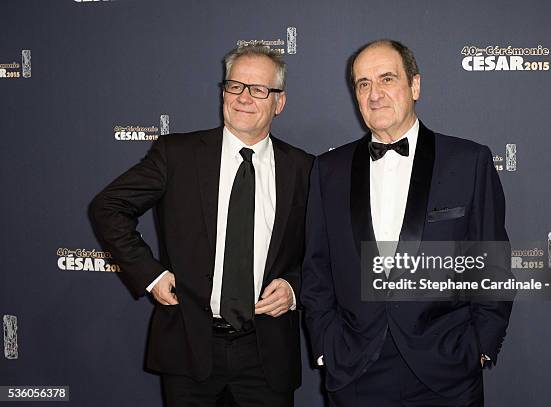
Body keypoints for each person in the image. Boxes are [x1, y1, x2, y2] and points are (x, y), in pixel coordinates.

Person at [91, 45, 313, 407]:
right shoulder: (176, 154)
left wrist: (294, 287)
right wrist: (151, 274)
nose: (244, 98)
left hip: (267, 353)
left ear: (279, 102)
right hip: (188, 348)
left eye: (258, 89)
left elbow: (325, 250)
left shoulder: (304, 169)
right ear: (223, 91)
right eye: (235, 86)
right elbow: (109, 206)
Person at [301, 39, 512, 406]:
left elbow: (492, 265)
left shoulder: (468, 162)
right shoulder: (328, 170)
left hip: (446, 371)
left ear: (414, 86)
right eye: (363, 83)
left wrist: (480, 346)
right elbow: (317, 269)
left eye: (386, 79)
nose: (374, 94)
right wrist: (326, 346)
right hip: (354, 371)